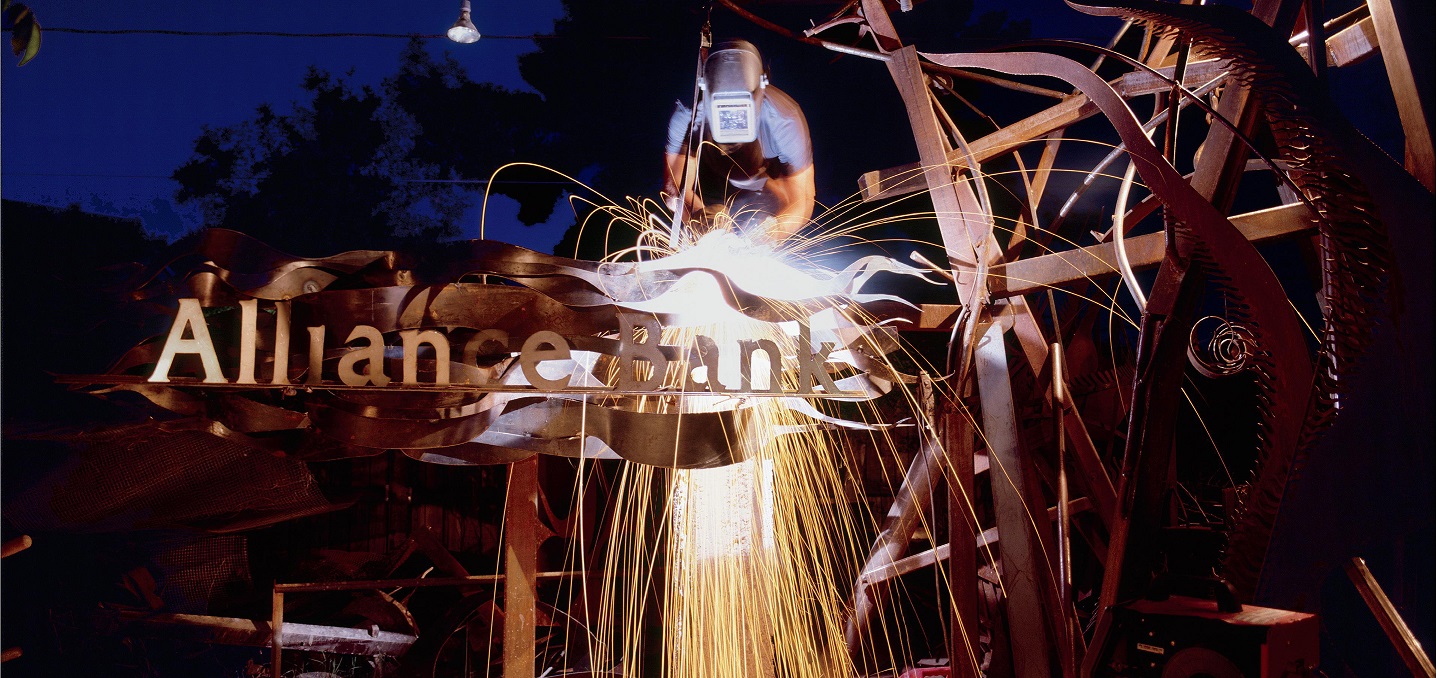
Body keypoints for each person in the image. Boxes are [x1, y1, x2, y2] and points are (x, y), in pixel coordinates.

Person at [663, 39, 815, 244]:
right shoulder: (687, 113)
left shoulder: (784, 119)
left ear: (761, 91)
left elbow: (802, 200)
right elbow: (675, 189)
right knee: (709, 226)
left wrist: (771, 232)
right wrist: (701, 218)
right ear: (705, 92)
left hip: (765, 186)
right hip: (707, 187)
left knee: (762, 220)